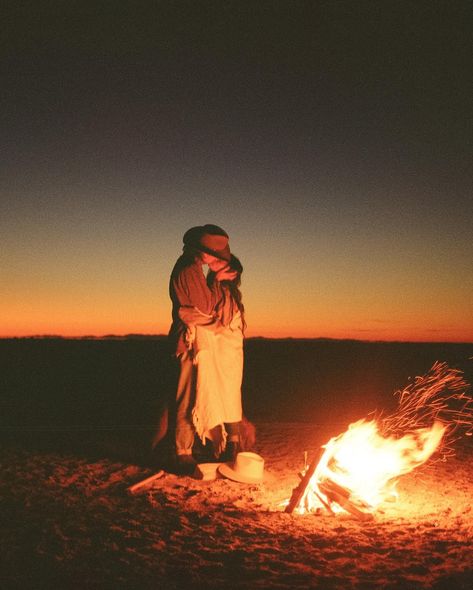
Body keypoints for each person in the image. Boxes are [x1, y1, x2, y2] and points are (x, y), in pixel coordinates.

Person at [163, 224, 243, 474]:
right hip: (189, 341)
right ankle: (182, 454)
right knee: (186, 398)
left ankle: (189, 450)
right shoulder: (189, 270)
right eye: (213, 255)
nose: (214, 261)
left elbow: (203, 311)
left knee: (194, 395)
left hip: (196, 339)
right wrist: (215, 281)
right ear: (201, 252)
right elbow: (206, 309)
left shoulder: (196, 270)